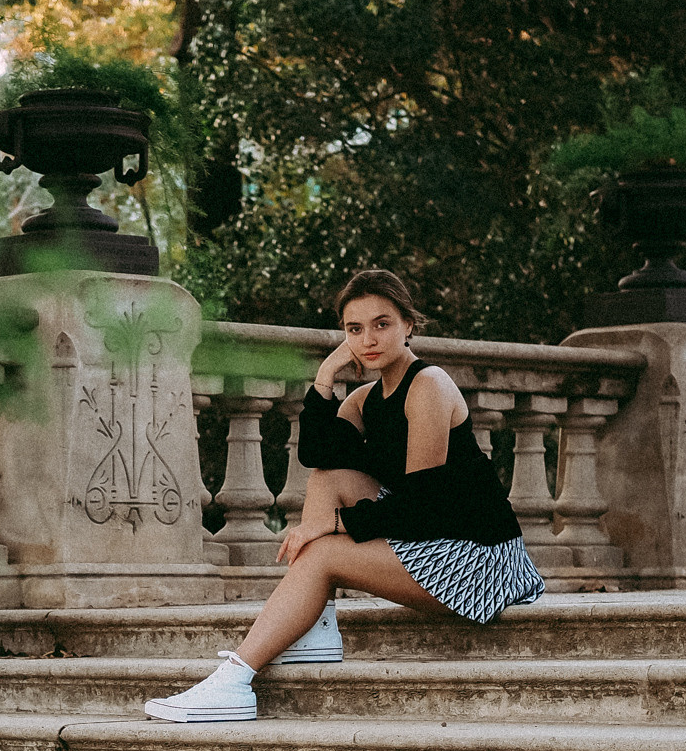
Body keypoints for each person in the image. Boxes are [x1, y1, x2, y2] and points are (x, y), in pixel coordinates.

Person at [144, 269, 543, 722]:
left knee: (322, 554)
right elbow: (318, 454)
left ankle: (235, 681)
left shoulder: (428, 385)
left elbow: (422, 505)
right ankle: (315, 625)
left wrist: (331, 525)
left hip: (480, 559)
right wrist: (326, 374)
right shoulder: (365, 399)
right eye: (354, 329)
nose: (368, 339)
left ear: (408, 325)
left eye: (381, 324)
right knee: (327, 478)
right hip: (436, 538)